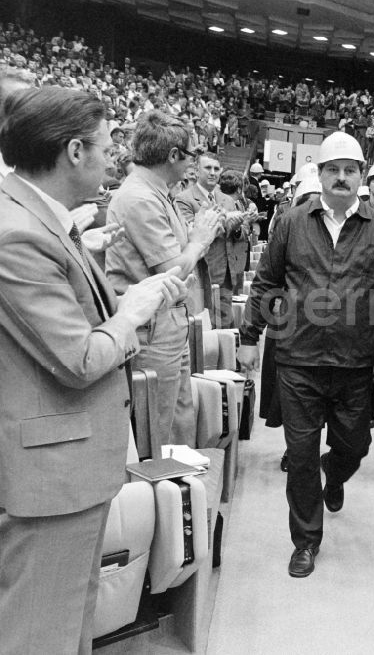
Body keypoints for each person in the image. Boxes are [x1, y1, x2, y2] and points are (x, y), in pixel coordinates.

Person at [0, 87, 185, 655]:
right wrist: (131, 313)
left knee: (69, 624)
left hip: (70, 470)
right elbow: (80, 358)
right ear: (74, 151)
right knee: (42, 635)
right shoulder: (18, 234)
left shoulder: (40, 219)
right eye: (107, 146)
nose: (115, 158)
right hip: (51, 479)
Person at [237, 132, 374, 578]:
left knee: (356, 445)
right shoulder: (292, 223)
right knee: (301, 453)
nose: (342, 178)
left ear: (361, 175)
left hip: (353, 362)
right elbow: (267, 282)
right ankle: (306, 541)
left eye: (351, 170)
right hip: (298, 359)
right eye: (334, 170)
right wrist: (249, 334)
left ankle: (338, 469)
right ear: (321, 174)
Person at [105, 110, 223, 452]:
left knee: (180, 416)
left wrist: (192, 241)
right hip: (153, 330)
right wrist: (200, 240)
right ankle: (170, 498)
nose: (193, 163)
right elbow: (174, 269)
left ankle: (183, 496)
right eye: (192, 156)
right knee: (159, 429)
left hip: (169, 323)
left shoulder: (158, 191)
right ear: (173, 156)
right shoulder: (140, 197)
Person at [174, 152, 249, 327]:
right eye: (208, 168)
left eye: (216, 168)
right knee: (205, 328)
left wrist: (237, 228)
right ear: (197, 170)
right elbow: (190, 234)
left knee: (226, 327)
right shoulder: (184, 200)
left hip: (226, 273)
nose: (212, 172)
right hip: (202, 273)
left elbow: (240, 234)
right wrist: (224, 220)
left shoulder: (227, 200)